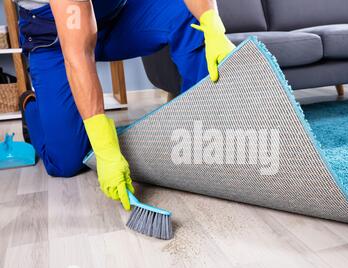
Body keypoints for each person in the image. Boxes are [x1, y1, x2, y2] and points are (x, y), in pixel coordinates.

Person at [15, 0, 235, 210]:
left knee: (190, 14)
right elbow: (79, 53)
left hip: (116, 15)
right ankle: (31, 105)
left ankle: (197, 135)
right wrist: (106, 149)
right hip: (54, 38)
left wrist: (212, 23)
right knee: (66, 162)